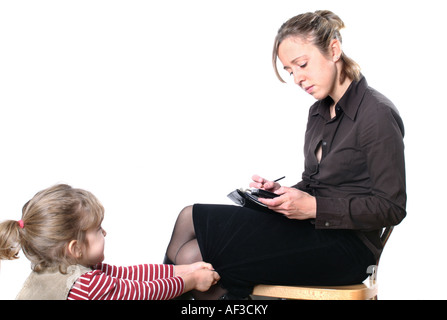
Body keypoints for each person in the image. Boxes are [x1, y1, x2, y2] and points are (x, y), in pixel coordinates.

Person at [163, 10, 406, 299]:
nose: (298, 79)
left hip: (346, 248)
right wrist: (283, 193)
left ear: (334, 50)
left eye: (302, 64)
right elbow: (317, 183)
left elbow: (391, 207)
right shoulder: (318, 111)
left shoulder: (376, 114)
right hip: (311, 230)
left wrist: (314, 207)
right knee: (189, 218)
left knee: (197, 256)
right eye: (290, 71)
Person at [0, 184, 219, 300]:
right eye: (97, 229)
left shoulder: (57, 267)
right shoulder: (86, 286)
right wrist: (191, 281)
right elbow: (143, 293)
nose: (104, 232)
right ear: (75, 248)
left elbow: (128, 276)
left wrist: (184, 269)